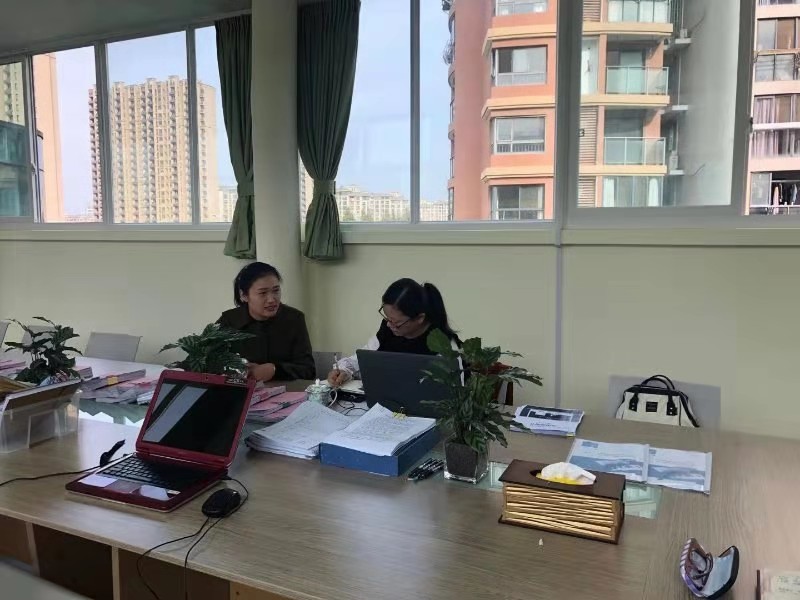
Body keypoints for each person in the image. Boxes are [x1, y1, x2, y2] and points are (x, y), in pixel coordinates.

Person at [328, 278, 460, 386]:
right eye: (387, 318)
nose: (389, 325)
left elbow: (453, 394)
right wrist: (344, 371)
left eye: (396, 322)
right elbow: (360, 360)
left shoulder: (444, 346)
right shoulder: (387, 331)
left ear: (420, 318)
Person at [217, 262, 315, 382]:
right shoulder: (229, 320)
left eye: (276, 291)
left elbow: (308, 370)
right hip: (240, 389)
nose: (271, 299)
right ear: (244, 295)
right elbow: (202, 360)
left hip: (284, 390)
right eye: (263, 293)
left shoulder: (294, 319)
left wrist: (274, 370)